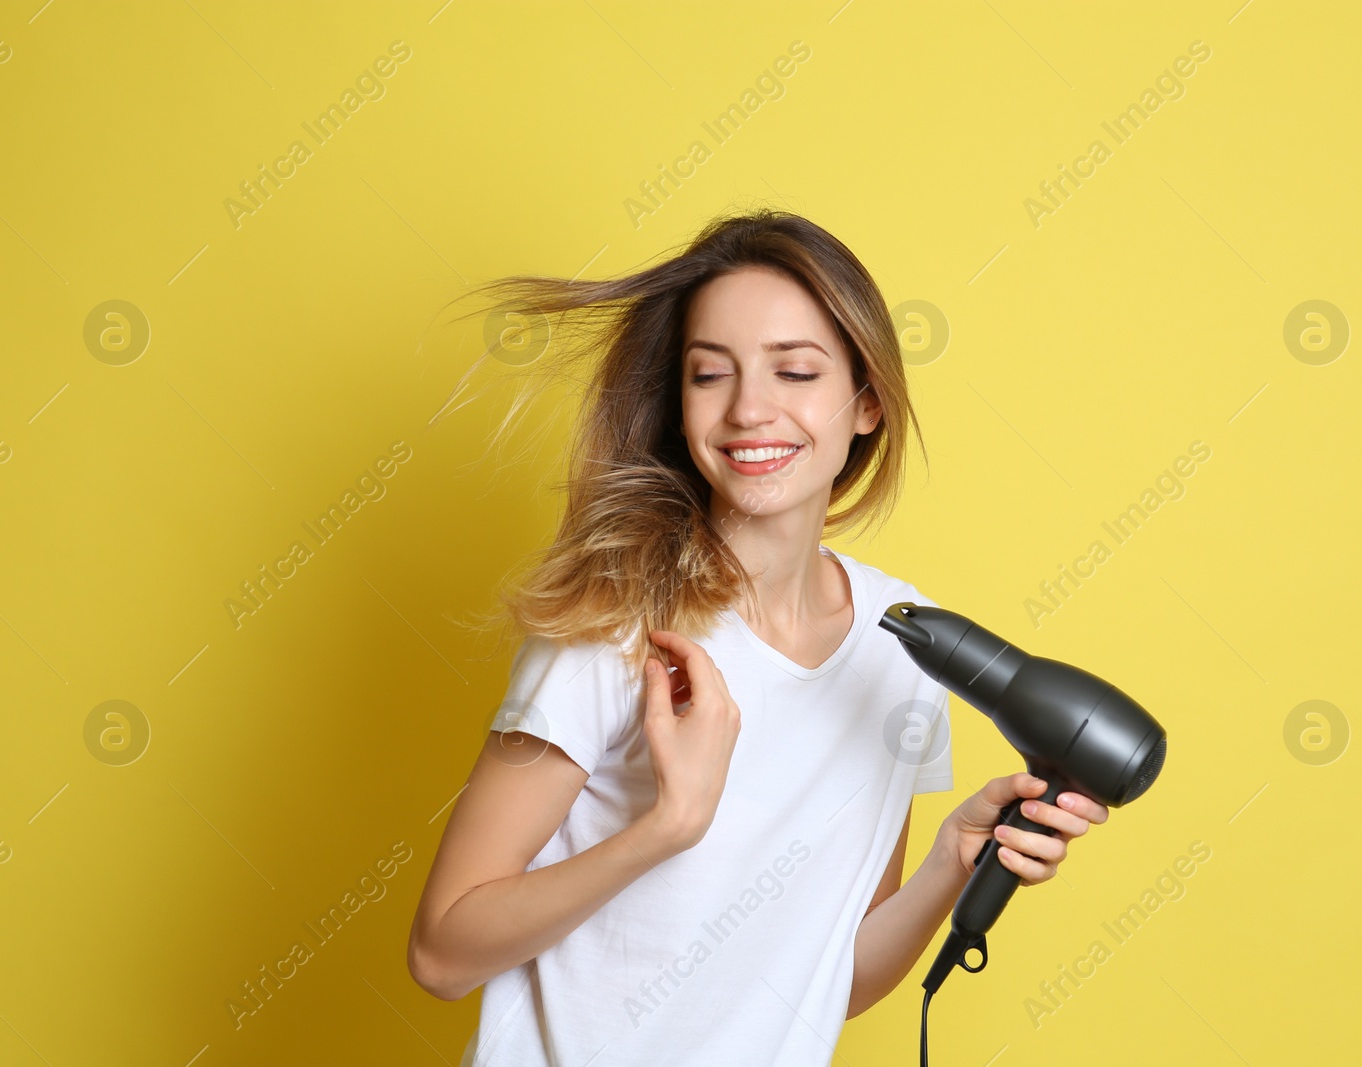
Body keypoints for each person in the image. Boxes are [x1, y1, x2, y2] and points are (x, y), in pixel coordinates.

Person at [406, 209, 1110, 1066]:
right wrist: (669, 824)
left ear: (867, 402)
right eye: (711, 375)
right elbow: (442, 952)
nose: (749, 409)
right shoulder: (613, 628)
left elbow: (826, 980)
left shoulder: (904, 648)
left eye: (796, 371)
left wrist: (951, 862)